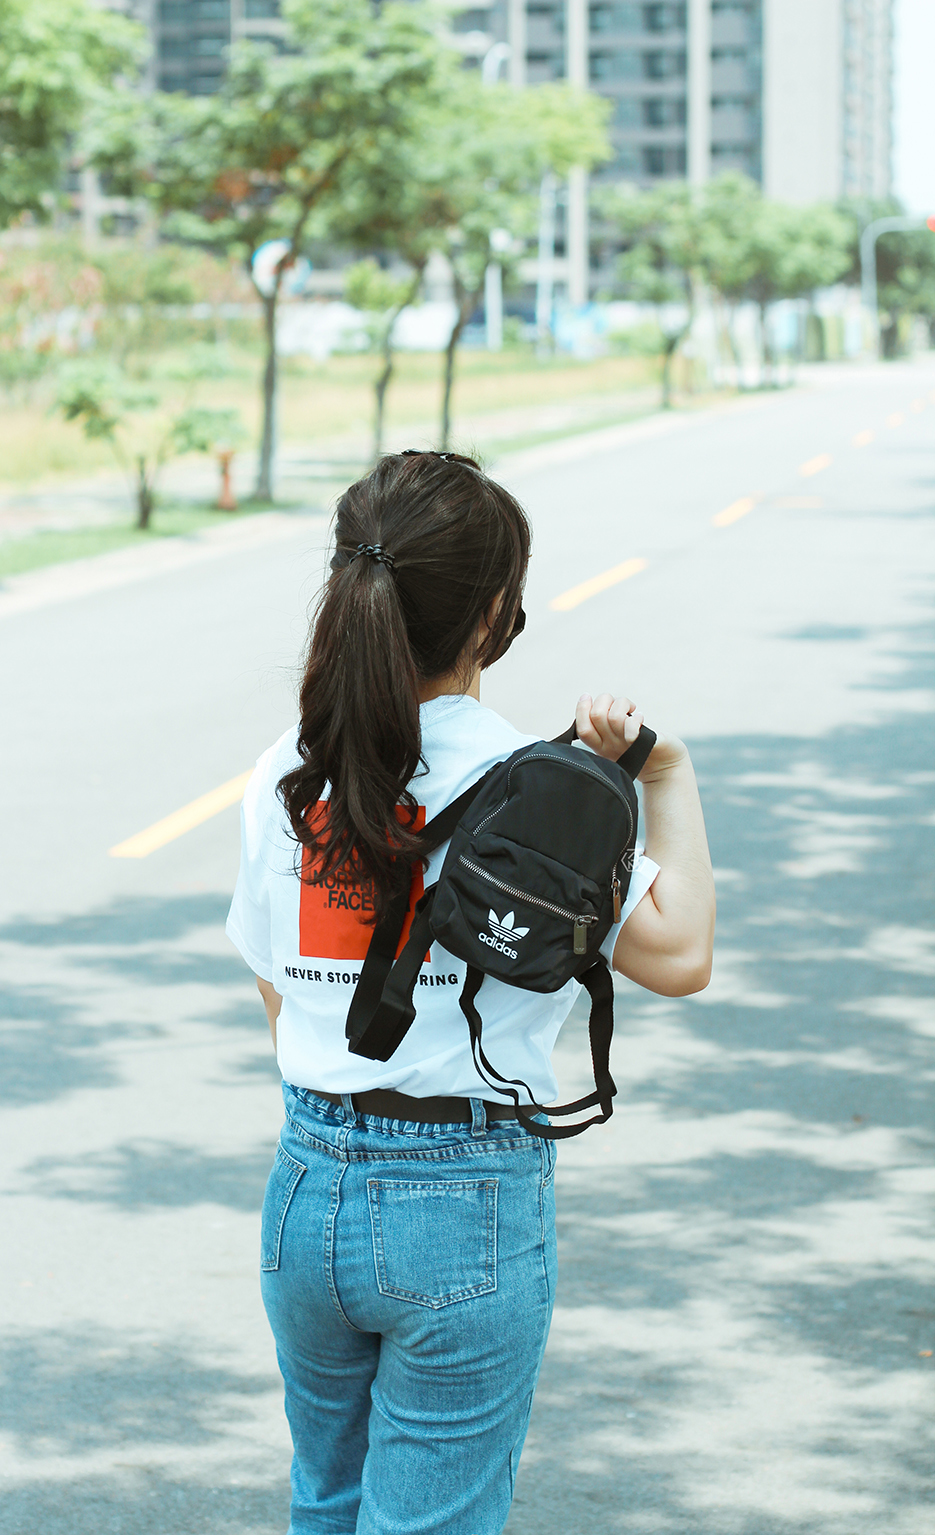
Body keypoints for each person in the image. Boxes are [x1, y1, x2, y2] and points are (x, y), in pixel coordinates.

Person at [226, 450, 715, 1535]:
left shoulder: (284, 773)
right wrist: (664, 776)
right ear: (496, 616)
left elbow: (277, 991)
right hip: (462, 1198)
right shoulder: (533, 790)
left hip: (308, 1184)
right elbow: (679, 953)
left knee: (328, 1503)